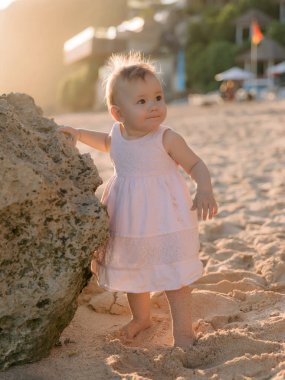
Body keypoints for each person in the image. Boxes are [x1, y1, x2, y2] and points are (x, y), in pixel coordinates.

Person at [58, 52, 218, 349]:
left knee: (175, 276)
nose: (155, 106)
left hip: (166, 218)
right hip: (129, 217)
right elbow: (105, 143)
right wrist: (79, 134)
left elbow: (196, 165)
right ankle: (141, 318)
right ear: (118, 114)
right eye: (142, 101)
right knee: (135, 272)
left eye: (158, 97)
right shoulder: (117, 135)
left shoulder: (166, 138)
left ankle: (183, 331)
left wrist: (204, 187)